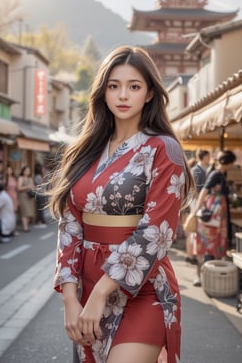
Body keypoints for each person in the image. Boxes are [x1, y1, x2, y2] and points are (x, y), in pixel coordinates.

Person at [50, 46, 194, 363]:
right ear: (102, 93)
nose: (123, 95)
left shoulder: (163, 148)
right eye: (114, 86)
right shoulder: (85, 151)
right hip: (86, 289)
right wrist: (70, 300)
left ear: (150, 94)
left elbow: (156, 231)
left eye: (134, 86)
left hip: (143, 288)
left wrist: (102, 292)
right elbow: (70, 226)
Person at [192, 149, 236, 286]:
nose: (233, 166)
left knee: (212, 245)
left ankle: (208, 277)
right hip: (213, 217)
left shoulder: (220, 174)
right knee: (208, 245)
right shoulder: (216, 174)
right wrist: (196, 210)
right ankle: (203, 276)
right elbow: (204, 190)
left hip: (216, 217)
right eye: (232, 163)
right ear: (227, 162)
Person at [185, 150, 211, 264]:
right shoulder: (198, 170)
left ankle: (191, 254)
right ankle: (192, 255)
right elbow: (197, 191)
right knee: (195, 230)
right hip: (197, 203)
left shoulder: (197, 169)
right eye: (208, 156)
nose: (210, 158)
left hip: (194, 202)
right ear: (205, 157)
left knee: (194, 230)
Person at [17, 166, 35, 232]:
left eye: (28, 170)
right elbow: (19, 188)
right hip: (23, 197)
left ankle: (26, 225)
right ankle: (25, 227)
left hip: (30, 197)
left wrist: (32, 188)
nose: (27, 172)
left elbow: (33, 187)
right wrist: (27, 186)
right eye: (26, 170)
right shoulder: (21, 178)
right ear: (23, 171)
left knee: (29, 213)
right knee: (24, 212)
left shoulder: (30, 178)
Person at [33, 162, 48, 228]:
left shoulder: (42, 175)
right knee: (40, 208)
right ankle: (39, 221)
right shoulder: (38, 176)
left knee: (41, 208)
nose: (44, 170)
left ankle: (41, 220)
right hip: (39, 194)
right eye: (43, 168)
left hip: (42, 193)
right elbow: (42, 184)